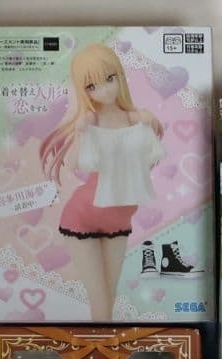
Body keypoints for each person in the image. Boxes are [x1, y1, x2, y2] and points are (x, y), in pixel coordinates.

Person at [39, 43, 164, 321]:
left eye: (110, 78)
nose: (105, 90)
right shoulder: (90, 122)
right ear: (83, 91)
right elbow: (74, 164)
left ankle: (107, 344)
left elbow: (150, 156)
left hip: (119, 220)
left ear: (120, 76)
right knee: (100, 302)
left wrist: (149, 122)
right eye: (92, 86)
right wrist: (82, 132)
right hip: (82, 217)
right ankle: (102, 345)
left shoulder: (136, 119)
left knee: (109, 298)